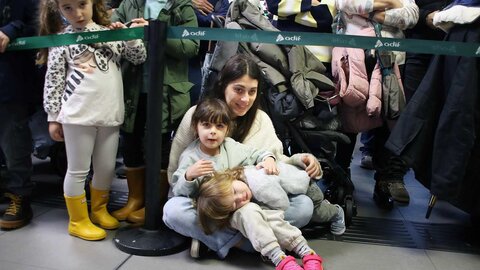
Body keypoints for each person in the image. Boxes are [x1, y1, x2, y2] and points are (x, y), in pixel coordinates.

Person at [164, 54, 322, 259]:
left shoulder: (260, 119)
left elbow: (273, 159)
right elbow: (175, 172)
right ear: (223, 86)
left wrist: (300, 160)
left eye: (252, 91)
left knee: (304, 206)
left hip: (254, 202)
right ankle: (247, 243)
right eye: (238, 90)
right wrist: (191, 180)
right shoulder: (198, 116)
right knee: (173, 210)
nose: (245, 99)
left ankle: (214, 240)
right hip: (213, 205)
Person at [38, 0, 146, 240]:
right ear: (59, 9)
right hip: (77, 115)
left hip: (110, 113)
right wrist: (53, 116)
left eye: (82, 4)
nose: (77, 13)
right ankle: (77, 220)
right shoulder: (62, 40)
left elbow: (138, 57)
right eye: (68, 8)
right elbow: (53, 79)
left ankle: (98, 210)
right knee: (78, 169)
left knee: (106, 168)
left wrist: (127, 36)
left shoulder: (109, 32)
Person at [110, 0, 199, 224]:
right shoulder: (128, 4)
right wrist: (123, 32)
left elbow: (191, 46)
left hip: (167, 92)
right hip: (133, 87)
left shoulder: (182, 7)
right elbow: (110, 34)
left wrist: (156, 32)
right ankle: (134, 199)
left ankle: (155, 203)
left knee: (160, 146)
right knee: (130, 141)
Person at [332, 0, 419, 207]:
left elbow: (411, 16)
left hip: (392, 59)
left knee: (388, 120)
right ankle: (340, 179)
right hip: (353, 58)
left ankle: (384, 181)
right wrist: (391, 3)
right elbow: (346, 3)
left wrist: (373, 14)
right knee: (348, 121)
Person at [197, 171, 324, 270]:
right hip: (251, 227)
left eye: (235, 191)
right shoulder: (240, 211)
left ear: (231, 178)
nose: (241, 197)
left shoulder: (250, 176)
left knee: (271, 216)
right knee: (249, 210)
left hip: (274, 212)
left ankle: (306, 251)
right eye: (235, 203)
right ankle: (279, 259)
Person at [0, 0, 38, 230]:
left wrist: (11, 29)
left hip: (11, 76)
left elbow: (39, 22)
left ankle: (19, 194)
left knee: (13, 139)